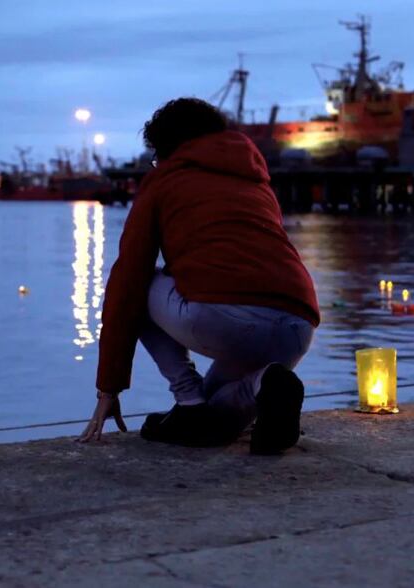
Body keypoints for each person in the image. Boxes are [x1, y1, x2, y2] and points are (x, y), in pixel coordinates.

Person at [77, 98, 320, 454]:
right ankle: (265, 383)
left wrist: (108, 389)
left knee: (140, 282)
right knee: (218, 415)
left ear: (167, 149)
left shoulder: (164, 179)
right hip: (298, 327)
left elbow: (126, 282)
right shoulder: (255, 180)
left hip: (231, 319)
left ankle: (187, 402)